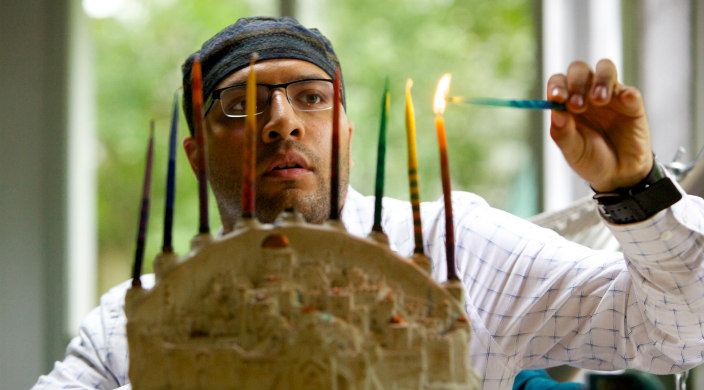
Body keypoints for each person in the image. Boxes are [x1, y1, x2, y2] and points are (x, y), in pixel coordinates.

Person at [32, 16, 704, 390]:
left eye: (311, 97)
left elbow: (674, 332)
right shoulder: (133, 321)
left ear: (346, 131)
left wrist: (634, 189)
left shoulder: (453, 248)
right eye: (238, 107)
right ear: (196, 155)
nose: (281, 122)